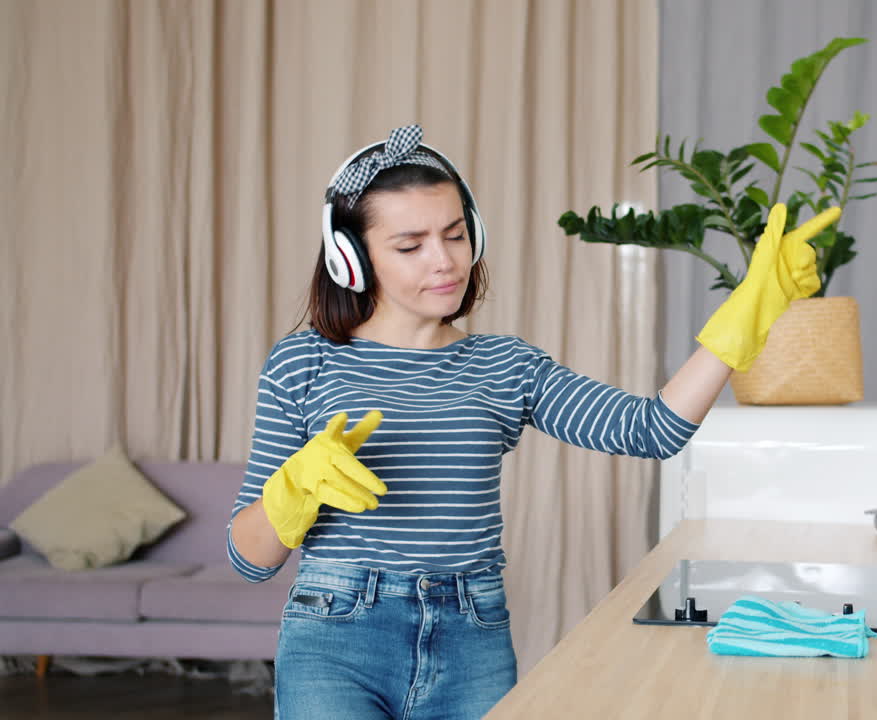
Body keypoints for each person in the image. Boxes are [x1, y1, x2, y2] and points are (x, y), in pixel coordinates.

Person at [227, 124, 839, 719]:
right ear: (351, 259)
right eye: (410, 246)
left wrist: (744, 317)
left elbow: (653, 430)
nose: (444, 261)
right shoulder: (304, 361)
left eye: (456, 234)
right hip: (336, 637)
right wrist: (292, 492)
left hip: (473, 638)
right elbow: (250, 559)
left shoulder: (504, 365)